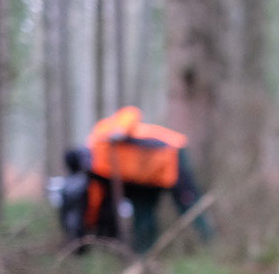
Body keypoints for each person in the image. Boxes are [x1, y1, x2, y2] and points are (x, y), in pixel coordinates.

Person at [60, 106, 212, 252]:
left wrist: (120, 131)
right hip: (144, 180)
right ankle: (144, 254)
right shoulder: (96, 174)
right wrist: (88, 226)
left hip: (169, 155)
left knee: (188, 203)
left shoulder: (100, 136)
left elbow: (130, 113)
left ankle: (211, 243)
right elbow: (95, 200)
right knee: (143, 213)